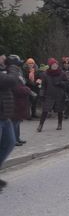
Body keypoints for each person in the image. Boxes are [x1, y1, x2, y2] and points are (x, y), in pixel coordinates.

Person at [0, 46, 19, 191]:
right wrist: (13, 66)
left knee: (10, 142)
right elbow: (11, 81)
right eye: (2, 55)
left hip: (4, 115)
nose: (4, 58)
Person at [37, 58, 68, 132]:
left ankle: (59, 124)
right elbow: (43, 86)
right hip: (49, 95)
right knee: (45, 110)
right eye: (53, 65)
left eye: (56, 64)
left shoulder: (62, 73)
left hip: (59, 95)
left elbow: (67, 83)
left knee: (60, 110)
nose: (55, 66)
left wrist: (61, 83)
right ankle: (40, 125)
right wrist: (41, 94)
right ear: (50, 65)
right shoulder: (45, 74)